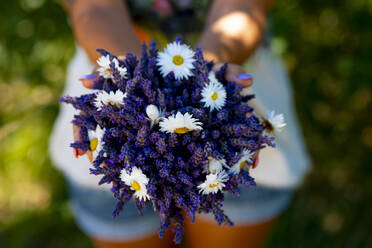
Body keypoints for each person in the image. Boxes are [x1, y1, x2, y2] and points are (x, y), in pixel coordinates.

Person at [50, 0, 310, 247]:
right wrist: (124, 75)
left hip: (228, 131)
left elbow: (245, 6)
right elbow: (93, 8)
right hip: (114, 131)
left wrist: (210, 68)